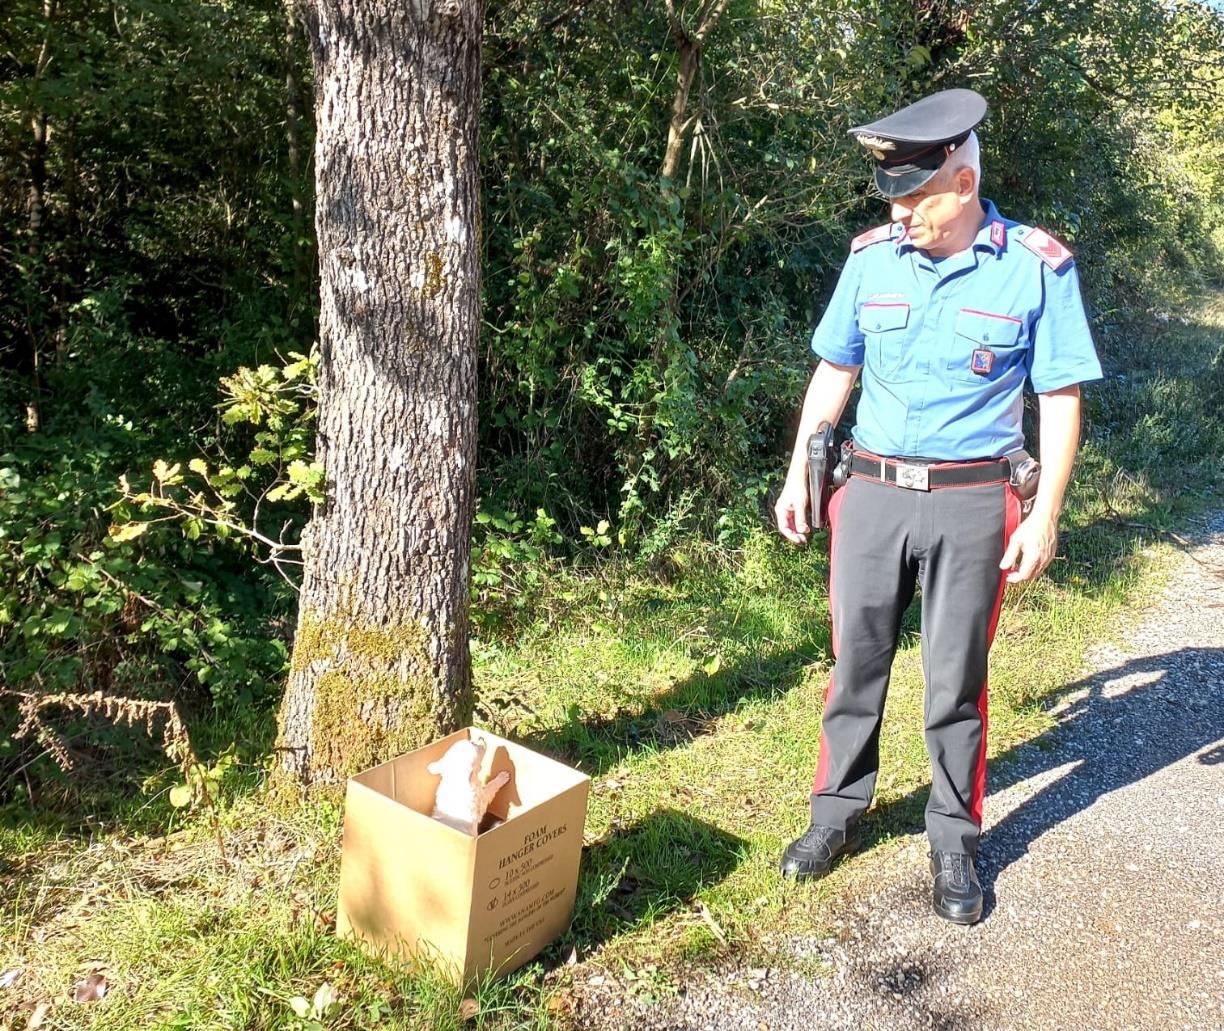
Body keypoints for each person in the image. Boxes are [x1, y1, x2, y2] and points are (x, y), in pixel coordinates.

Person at [773, 89, 1103, 925]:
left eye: (915, 195)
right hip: (873, 493)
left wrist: (1046, 514)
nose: (900, 210)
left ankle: (954, 837)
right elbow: (834, 370)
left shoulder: (1035, 265)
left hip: (972, 505)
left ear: (962, 182)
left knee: (956, 680)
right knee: (855, 664)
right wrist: (797, 470)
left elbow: (1059, 398)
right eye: (891, 194)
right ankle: (834, 816)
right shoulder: (871, 258)